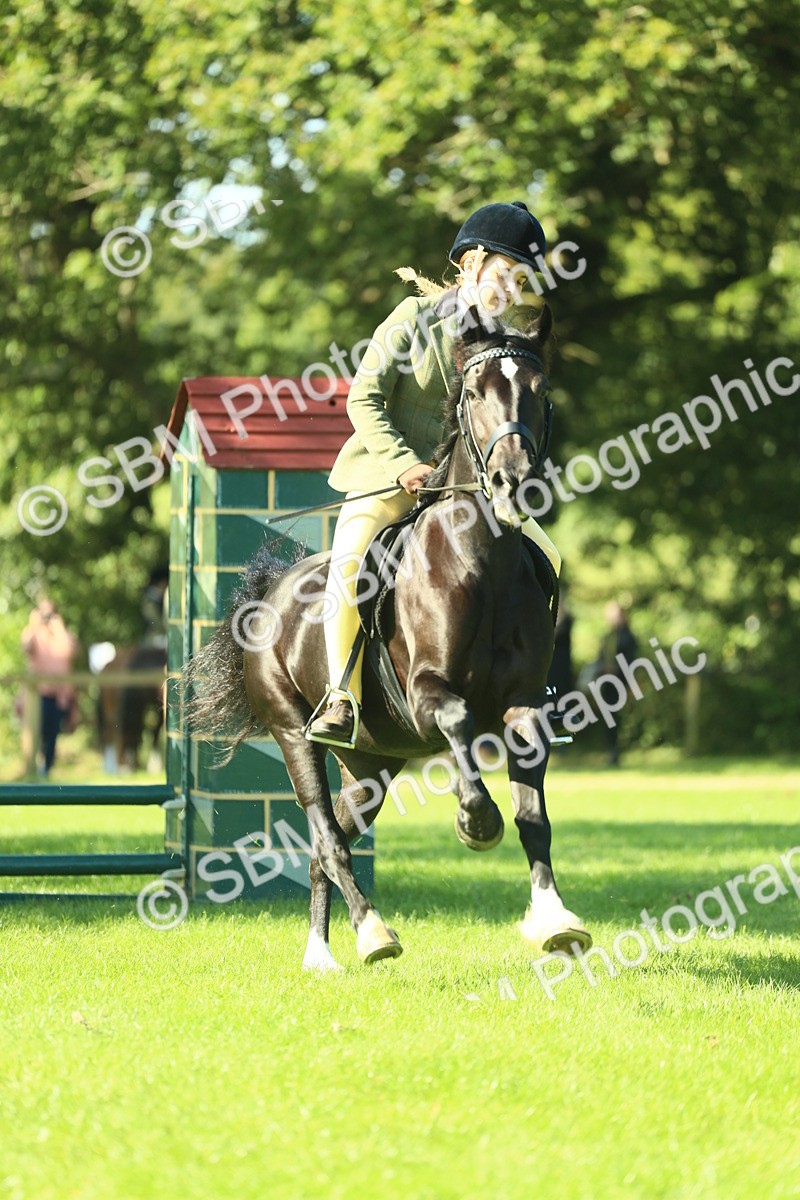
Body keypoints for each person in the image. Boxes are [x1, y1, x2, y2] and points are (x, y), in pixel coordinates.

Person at [306, 200, 563, 746]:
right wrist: (405, 466)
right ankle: (340, 697)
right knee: (350, 562)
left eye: (524, 280)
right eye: (507, 274)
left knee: (549, 558)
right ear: (471, 264)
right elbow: (364, 399)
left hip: (468, 492)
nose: (515, 289)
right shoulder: (412, 319)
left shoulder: (508, 343)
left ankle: (533, 690)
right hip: (389, 477)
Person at [20, 597, 80, 776]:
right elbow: (25, 647)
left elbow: (71, 652)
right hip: (38, 694)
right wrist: (34, 624)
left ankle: (46, 767)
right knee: (37, 730)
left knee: (53, 733)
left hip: (59, 695)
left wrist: (59, 628)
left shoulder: (62, 635)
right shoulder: (33, 634)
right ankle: (34, 766)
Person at [596, 601, 638, 766]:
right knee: (608, 718)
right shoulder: (608, 637)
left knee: (617, 718)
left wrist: (617, 669)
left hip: (621, 682)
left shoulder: (628, 637)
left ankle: (618, 751)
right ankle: (611, 751)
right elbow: (600, 658)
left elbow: (631, 660)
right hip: (607, 683)